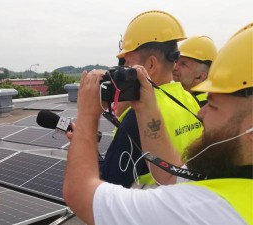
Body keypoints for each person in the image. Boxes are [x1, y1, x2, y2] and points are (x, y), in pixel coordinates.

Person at [63, 23, 252, 225]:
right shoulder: (237, 177)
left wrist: (88, 115)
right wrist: (145, 106)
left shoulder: (203, 210)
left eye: (213, 105)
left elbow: (81, 192)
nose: (201, 111)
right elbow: (172, 174)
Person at [100, 10, 203, 187]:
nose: (123, 70)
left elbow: (107, 183)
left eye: (127, 63)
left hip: (144, 210)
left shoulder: (140, 116)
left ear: (151, 65)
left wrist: (85, 141)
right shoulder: (188, 99)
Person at [173, 35, 217, 106]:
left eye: (183, 64)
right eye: (176, 61)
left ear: (200, 76)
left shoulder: (204, 107)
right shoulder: (180, 99)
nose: (175, 67)